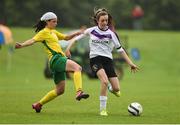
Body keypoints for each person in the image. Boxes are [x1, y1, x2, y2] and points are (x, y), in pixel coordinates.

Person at [66, 8, 139, 116]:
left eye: (106, 20)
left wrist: (130, 63)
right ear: (97, 20)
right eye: (102, 20)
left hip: (108, 60)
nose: (105, 23)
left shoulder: (111, 34)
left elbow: (120, 50)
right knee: (104, 81)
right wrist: (68, 48)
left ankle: (111, 88)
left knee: (116, 89)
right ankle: (103, 109)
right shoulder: (91, 30)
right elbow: (77, 38)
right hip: (95, 59)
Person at [15, 12, 89, 113]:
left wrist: (77, 33)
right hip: (56, 58)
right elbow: (32, 40)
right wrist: (22, 45)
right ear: (47, 22)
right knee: (78, 68)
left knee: (60, 90)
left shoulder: (53, 32)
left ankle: (38, 104)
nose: (56, 23)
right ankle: (79, 91)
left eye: (56, 21)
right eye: (54, 21)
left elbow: (66, 37)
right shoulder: (43, 32)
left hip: (56, 62)